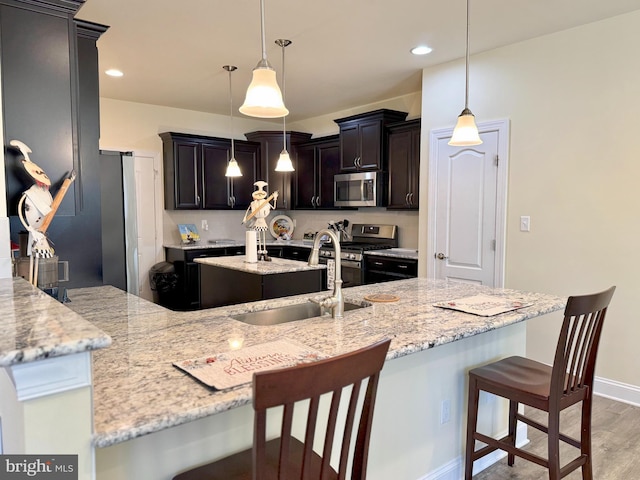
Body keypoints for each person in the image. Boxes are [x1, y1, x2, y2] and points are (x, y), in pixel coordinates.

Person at [242, 181, 278, 261]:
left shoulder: (266, 202)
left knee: (263, 237)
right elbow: (248, 211)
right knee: (258, 238)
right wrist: (245, 218)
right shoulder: (253, 203)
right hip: (258, 221)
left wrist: (275, 198)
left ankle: (265, 253)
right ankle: (259, 252)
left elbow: (274, 207)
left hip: (263, 220)